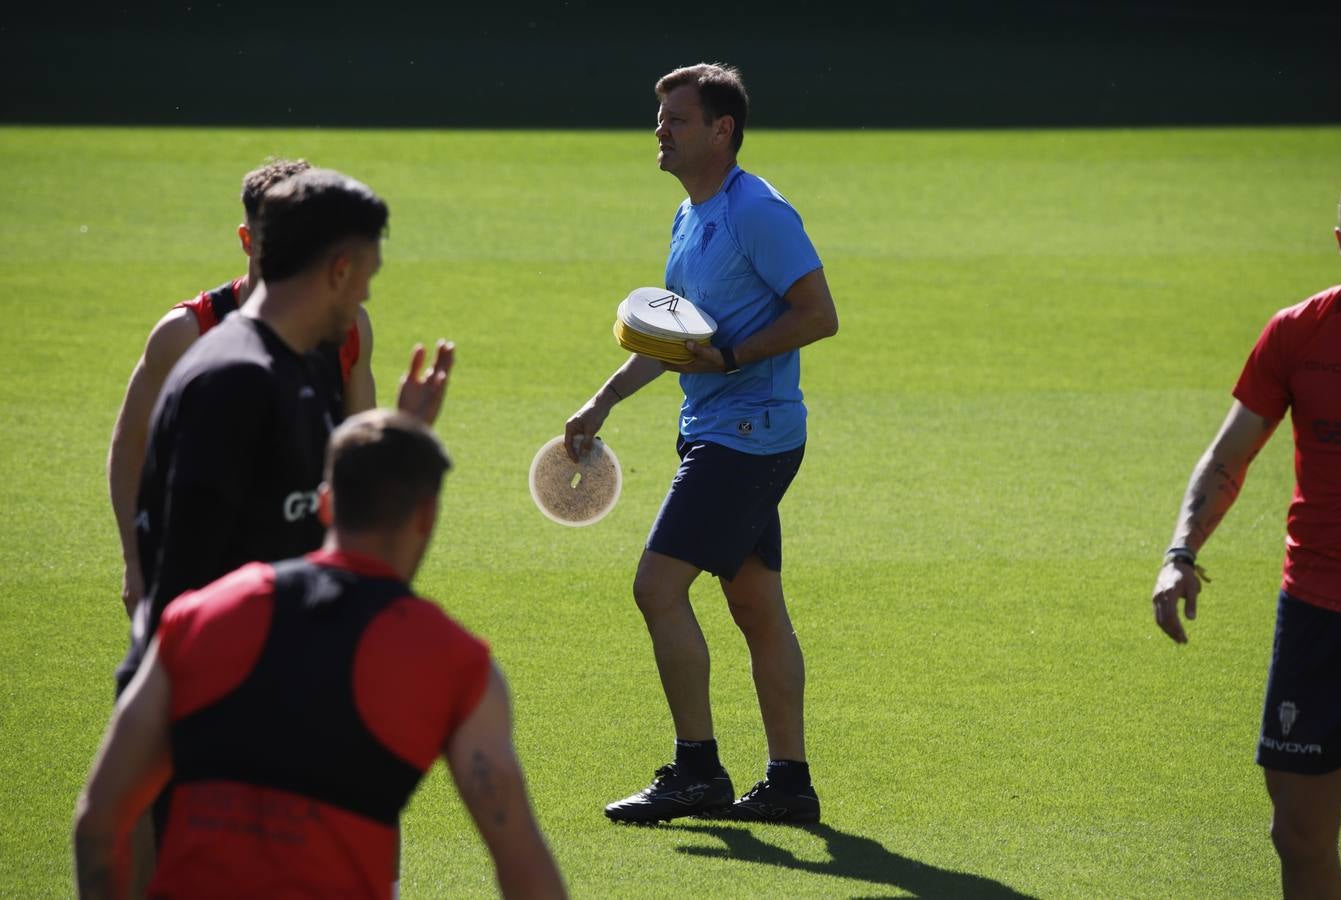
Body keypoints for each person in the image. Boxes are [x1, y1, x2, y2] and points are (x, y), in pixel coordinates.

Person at [75, 409, 567, 899]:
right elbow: (521, 863)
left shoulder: (200, 615)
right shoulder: (454, 663)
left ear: (326, 504)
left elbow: (100, 821)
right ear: (426, 516)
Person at [565, 63, 839, 824]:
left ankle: (697, 772)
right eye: (660, 117)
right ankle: (790, 784)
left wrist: (735, 357)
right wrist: (603, 401)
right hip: (721, 433)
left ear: (722, 131)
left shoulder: (758, 212)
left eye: (676, 119)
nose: (660, 129)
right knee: (754, 605)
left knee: (656, 587)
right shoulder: (692, 216)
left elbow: (818, 314)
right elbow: (677, 335)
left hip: (747, 437)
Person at [1152, 182, 1341, 898]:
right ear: (1339, 242)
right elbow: (1229, 456)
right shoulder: (1299, 332)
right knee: (1297, 835)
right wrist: (1180, 555)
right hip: (1319, 612)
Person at [107, 158, 379, 618]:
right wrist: (135, 562)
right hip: (205, 578)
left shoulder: (347, 329)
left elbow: (355, 456)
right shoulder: (186, 334)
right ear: (248, 240)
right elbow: (131, 449)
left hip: (303, 572)